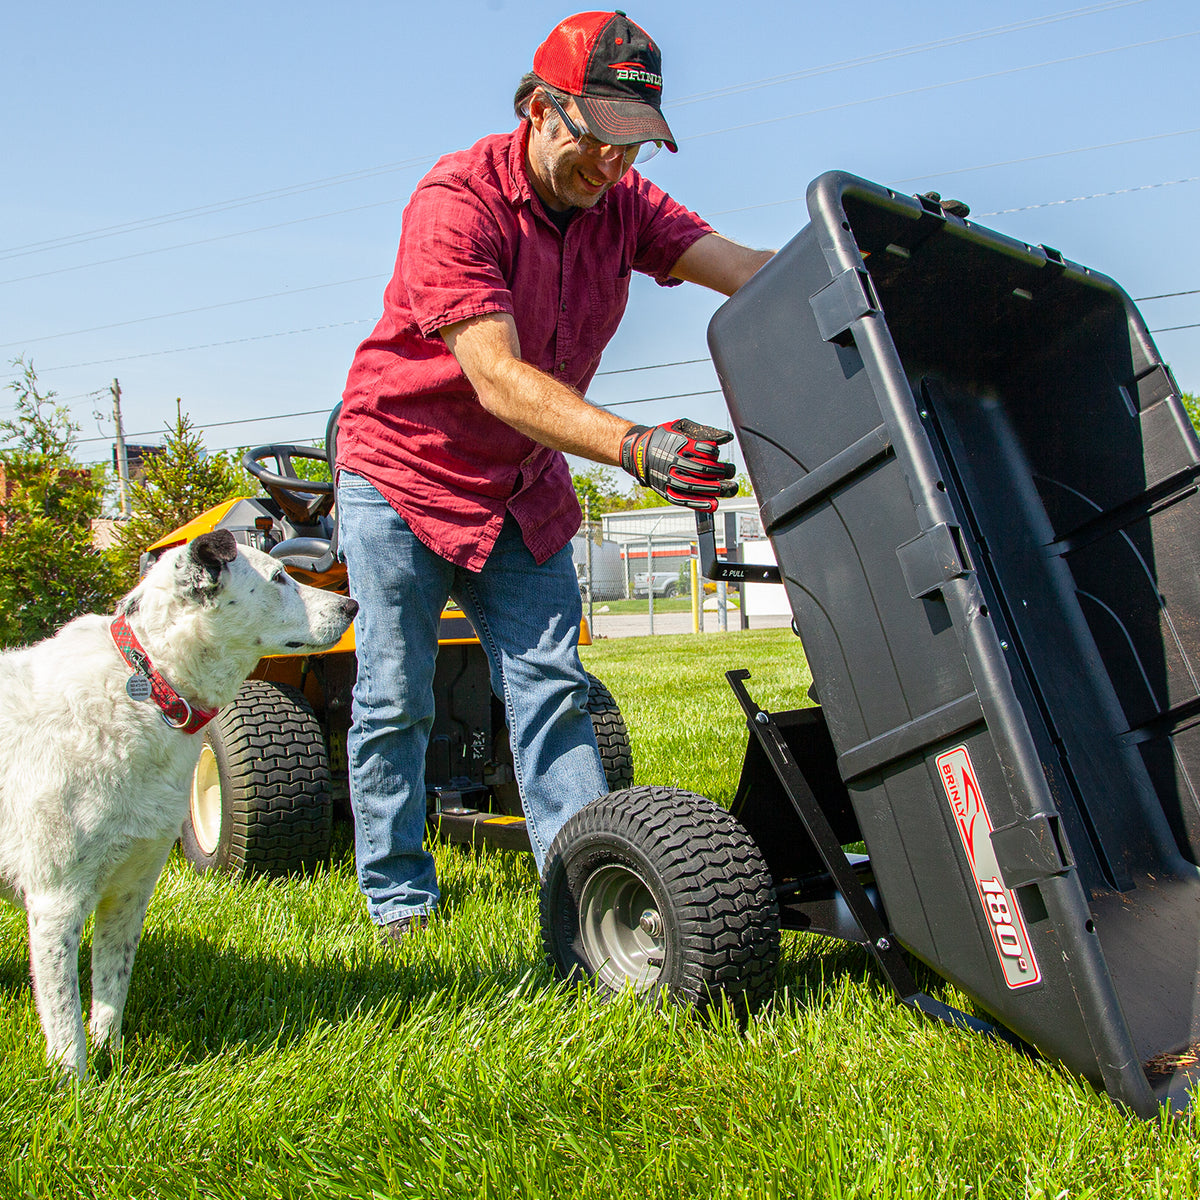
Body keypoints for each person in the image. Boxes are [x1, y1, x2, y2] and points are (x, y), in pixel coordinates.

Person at [335, 10, 774, 939]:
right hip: (403, 475)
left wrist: (868, 261)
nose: (615, 166)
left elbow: (746, 269)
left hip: (521, 489)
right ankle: (399, 900)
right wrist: (638, 447)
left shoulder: (625, 206)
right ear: (540, 108)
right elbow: (494, 377)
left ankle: (583, 903)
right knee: (395, 693)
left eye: (636, 146)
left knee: (551, 689)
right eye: (600, 139)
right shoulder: (458, 201)